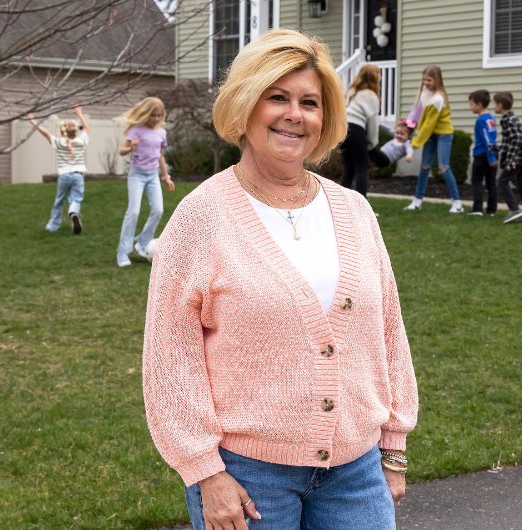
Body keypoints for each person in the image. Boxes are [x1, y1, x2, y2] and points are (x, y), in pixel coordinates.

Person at [143, 29, 418, 530]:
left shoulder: (354, 211)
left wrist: (393, 448)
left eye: (310, 103)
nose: (296, 114)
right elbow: (171, 359)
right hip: (247, 478)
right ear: (247, 106)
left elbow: (389, 331)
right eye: (278, 98)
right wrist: (206, 474)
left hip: (356, 472)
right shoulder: (200, 217)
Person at [116, 97, 175, 267]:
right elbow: (122, 151)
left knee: (158, 210)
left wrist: (166, 177)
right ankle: (123, 251)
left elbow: (160, 156)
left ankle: (143, 241)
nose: (156, 119)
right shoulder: (137, 130)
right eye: (153, 115)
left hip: (153, 176)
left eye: (159, 115)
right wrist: (131, 148)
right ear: (146, 114)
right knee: (133, 212)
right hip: (137, 175)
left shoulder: (161, 133)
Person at [403, 65, 464, 213]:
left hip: (443, 134)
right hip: (430, 135)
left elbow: (429, 125)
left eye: (429, 80)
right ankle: (417, 202)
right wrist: (407, 127)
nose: (425, 82)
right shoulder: (424, 92)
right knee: (424, 167)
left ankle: (457, 204)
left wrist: (415, 143)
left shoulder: (438, 98)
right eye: (424, 79)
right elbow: (416, 112)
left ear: (437, 80)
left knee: (444, 167)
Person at [28, 106, 89, 234]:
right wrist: (79, 113)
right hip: (78, 176)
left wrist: (33, 121)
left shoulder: (59, 142)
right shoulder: (81, 141)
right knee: (76, 199)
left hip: (64, 176)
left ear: (62, 133)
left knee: (59, 200)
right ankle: (73, 212)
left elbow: (45, 133)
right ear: (75, 132)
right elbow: (87, 128)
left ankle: (53, 226)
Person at [492, 92, 522, 224]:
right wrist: (495, 148)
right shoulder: (512, 118)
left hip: (518, 159)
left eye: (494, 104)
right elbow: (509, 142)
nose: (493, 106)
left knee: (502, 181)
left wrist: (510, 160)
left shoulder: (508, 120)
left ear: (500, 105)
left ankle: (515, 209)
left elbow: (516, 140)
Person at [340, 64, 381, 197]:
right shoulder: (371, 96)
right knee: (361, 170)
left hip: (343, 129)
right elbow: (373, 125)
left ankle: (340, 207)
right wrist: (372, 144)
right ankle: (362, 212)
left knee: (349, 170)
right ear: (374, 77)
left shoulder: (351, 91)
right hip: (357, 130)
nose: (380, 77)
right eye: (379, 74)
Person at [468, 90, 498, 216]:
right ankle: (491, 209)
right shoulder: (491, 118)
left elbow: (487, 139)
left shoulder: (480, 120)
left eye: (471, 104)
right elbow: (492, 138)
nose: (470, 107)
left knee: (477, 180)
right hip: (493, 151)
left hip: (483, 154)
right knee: (491, 181)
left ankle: (477, 209)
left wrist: (490, 157)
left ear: (479, 105)